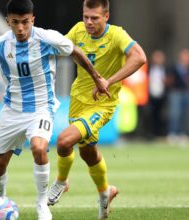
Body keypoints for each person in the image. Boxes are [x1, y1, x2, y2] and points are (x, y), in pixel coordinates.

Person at [0, 1, 109, 219]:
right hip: (12, 109)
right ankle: (0, 201)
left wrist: (97, 78)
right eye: (15, 23)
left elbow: (75, 52)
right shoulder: (2, 44)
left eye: (24, 22)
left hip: (42, 107)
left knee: (39, 148)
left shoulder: (47, 38)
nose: (20, 28)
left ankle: (42, 204)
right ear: (8, 22)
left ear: (32, 20)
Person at [47, 0, 146, 219]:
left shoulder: (117, 35)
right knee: (88, 154)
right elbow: (59, 48)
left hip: (102, 103)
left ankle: (61, 182)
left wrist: (108, 81)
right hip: (78, 100)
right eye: (86, 17)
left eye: (94, 18)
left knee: (64, 141)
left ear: (106, 17)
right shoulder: (78, 30)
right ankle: (105, 193)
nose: (89, 22)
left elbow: (139, 57)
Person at [166, 48, 189, 144]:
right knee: (175, 113)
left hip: (186, 93)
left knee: (184, 114)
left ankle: (181, 133)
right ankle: (172, 133)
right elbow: (170, 79)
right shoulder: (175, 67)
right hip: (176, 93)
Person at [148, 50, 168, 137]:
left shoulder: (165, 69)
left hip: (162, 95)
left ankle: (159, 133)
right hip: (151, 95)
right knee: (150, 115)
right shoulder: (148, 68)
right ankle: (150, 133)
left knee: (160, 115)